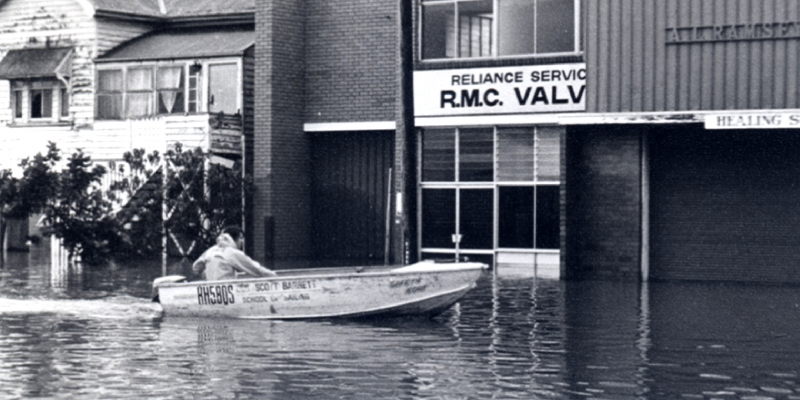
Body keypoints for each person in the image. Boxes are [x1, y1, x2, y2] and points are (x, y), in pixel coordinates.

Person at [192, 226, 277, 281]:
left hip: (210, 290)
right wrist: (275, 277)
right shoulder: (232, 253)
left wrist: (207, 276)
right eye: (241, 238)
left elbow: (196, 267)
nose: (242, 241)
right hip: (227, 292)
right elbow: (256, 269)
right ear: (234, 238)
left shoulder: (211, 250)